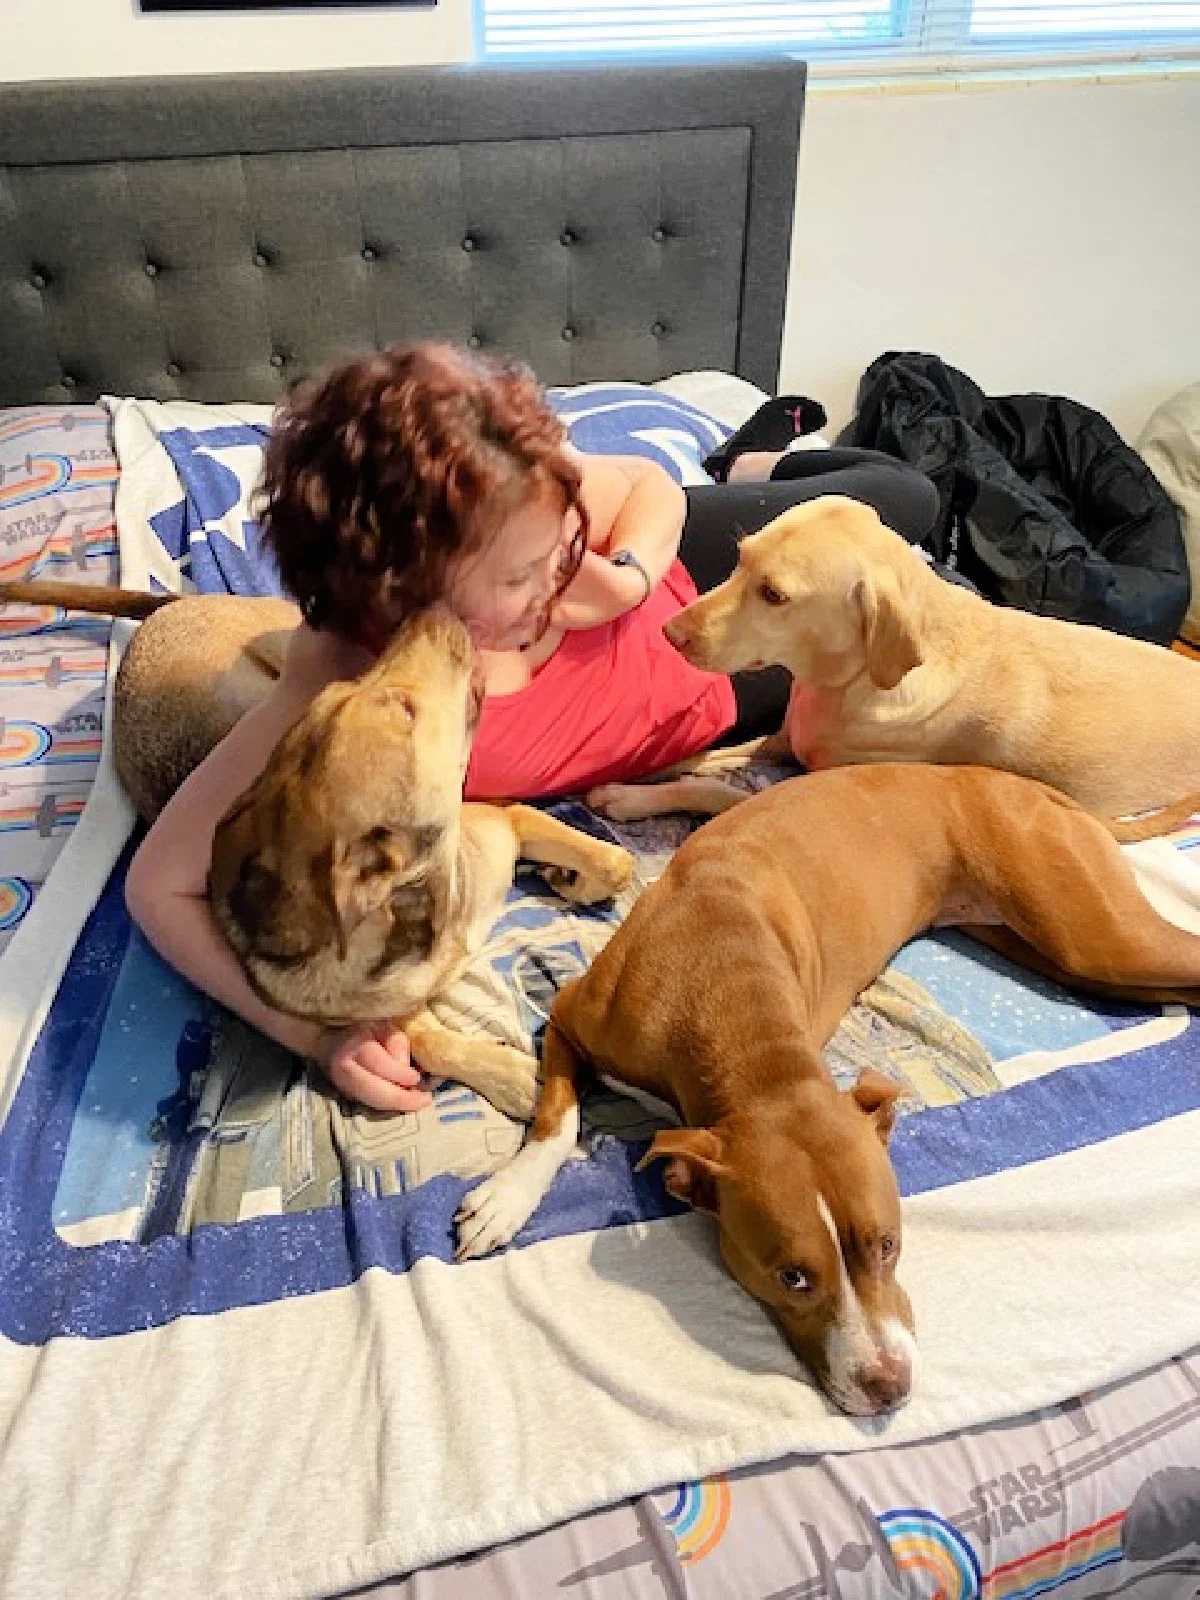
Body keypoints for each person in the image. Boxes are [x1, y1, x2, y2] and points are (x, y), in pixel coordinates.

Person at [125, 343, 940, 1114]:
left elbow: (647, 485)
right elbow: (158, 886)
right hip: (715, 703)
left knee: (906, 498)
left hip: (694, 596)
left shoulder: (528, 499)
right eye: (521, 574)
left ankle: (752, 460)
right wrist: (317, 1037)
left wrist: (626, 577)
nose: (554, 578)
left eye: (558, 549)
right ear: (400, 590)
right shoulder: (347, 686)